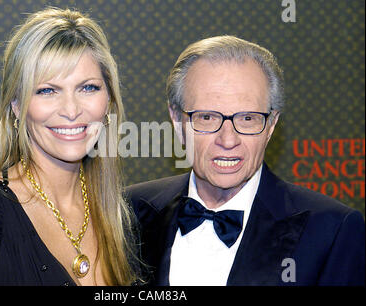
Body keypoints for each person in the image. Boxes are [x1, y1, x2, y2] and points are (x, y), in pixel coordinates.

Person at [0, 7, 142, 286]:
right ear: (16, 106)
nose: (71, 110)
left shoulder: (124, 214)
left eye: (88, 87)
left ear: (109, 99)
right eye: (47, 90)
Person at [127, 35, 365, 286]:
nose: (228, 140)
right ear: (177, 121)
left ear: (271, 124)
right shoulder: (127, 214)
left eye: (248, 119)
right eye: (207, 117)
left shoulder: (332, 232)